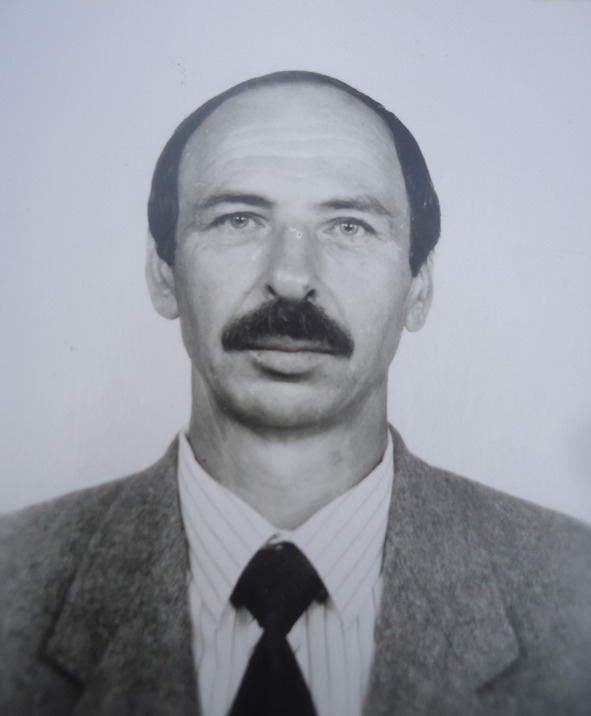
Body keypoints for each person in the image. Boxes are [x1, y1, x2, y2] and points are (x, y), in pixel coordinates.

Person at [1, 71, 590, 716]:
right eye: (239, 219)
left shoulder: (576, 592)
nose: (289, 277)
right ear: (162, 273)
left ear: (419, 286)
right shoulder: (12, 583)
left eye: (349, 226)